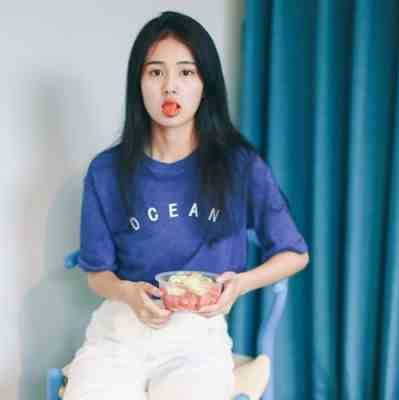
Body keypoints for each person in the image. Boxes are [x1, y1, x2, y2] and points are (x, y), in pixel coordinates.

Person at [63, 10, 310, 400]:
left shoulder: (239, 165)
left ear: (205, 84)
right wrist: (128, 293)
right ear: (138, 83)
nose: (170, 87)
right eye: (155, 72)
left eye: (186, 72)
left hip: (196, 337)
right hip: (119, 333)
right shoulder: (105, 171)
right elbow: (97, 275)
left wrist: (240, 284)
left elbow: (295, 254)